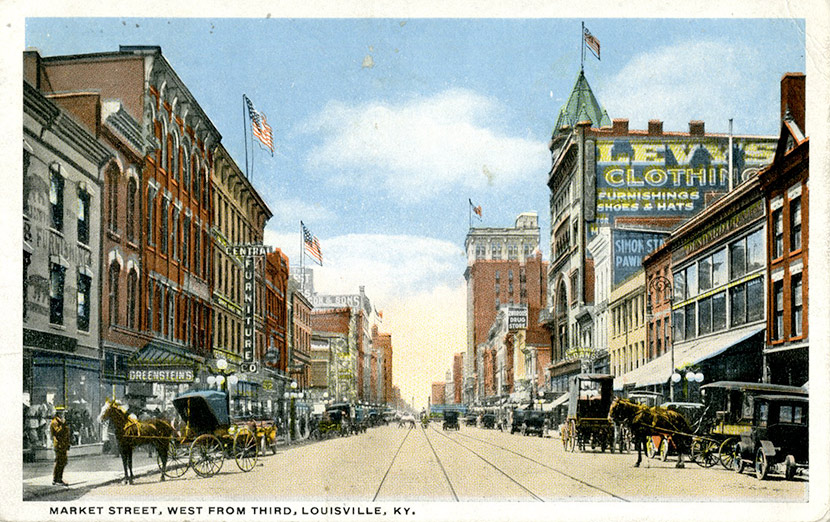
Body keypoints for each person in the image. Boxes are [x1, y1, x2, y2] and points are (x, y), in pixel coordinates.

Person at [50, 406, 70, 486]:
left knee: (63, 462)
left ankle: (59, 478)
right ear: (58, 413)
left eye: (63, 412)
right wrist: (63, 423)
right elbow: (59, 432)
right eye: (62, 412)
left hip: (63, 444)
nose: (63, 414)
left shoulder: (60, 421)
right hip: (59, 445)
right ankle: (56, 479)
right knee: (59, 462)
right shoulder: (55, 422)